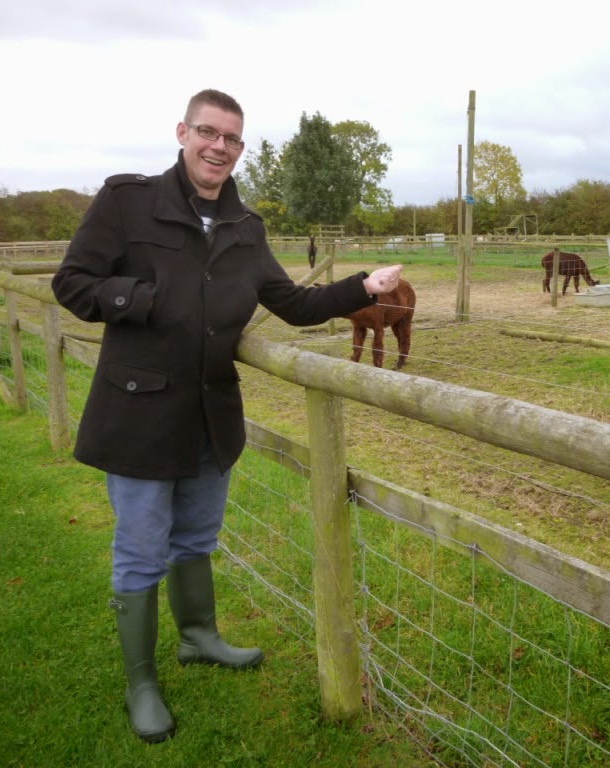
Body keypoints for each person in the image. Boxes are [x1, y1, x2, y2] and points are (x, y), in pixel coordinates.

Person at [52, 88, 402, 744]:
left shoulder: (247, 227)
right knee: (139, 553)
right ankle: (142, 682)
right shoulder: (127, 202)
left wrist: (361, 288)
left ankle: (199, 637)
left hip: (211, 412)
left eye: (231, 139)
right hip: (139, 413)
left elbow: (291, 303)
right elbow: (72, 283)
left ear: (241, 150)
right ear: (183, 132)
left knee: (195, 538)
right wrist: (140, 297)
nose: (218, 147)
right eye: (208, 133)